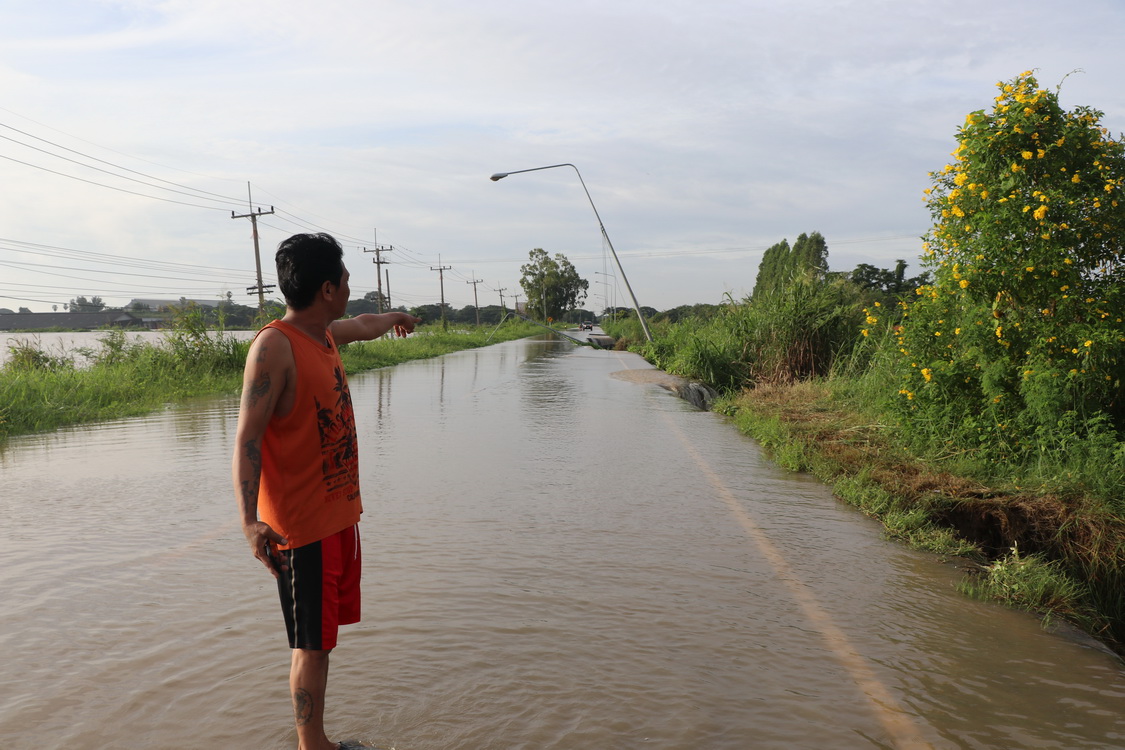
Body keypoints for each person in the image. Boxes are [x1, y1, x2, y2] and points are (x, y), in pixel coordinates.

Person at [232, 232, 420, 750]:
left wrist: (397, 316)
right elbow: (247, 437)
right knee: (310, 647)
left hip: (335, 518)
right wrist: (250, 522)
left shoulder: (325, 333)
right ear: (327, 288)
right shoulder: (274, 346)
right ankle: (311, 747)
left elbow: (366, 324)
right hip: (302, 528)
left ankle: (319, 741)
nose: (349, 287)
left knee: (322, 643)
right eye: (345, 279)